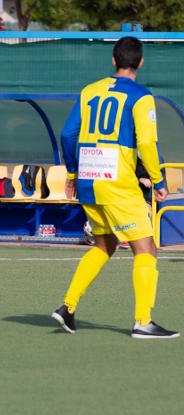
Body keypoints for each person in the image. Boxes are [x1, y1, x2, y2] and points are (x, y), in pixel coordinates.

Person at [52, 37, 178, 339]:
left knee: (103, 245)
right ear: (141, 62)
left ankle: (67, 307)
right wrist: (158, 180)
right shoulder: (141, 97)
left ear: (113, 60)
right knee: (146, 248)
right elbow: (147, 142)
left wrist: (72, 172)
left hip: (89, 177)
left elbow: (68, 134)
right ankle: (142, 321)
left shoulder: (89, 90)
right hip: (118, 181)